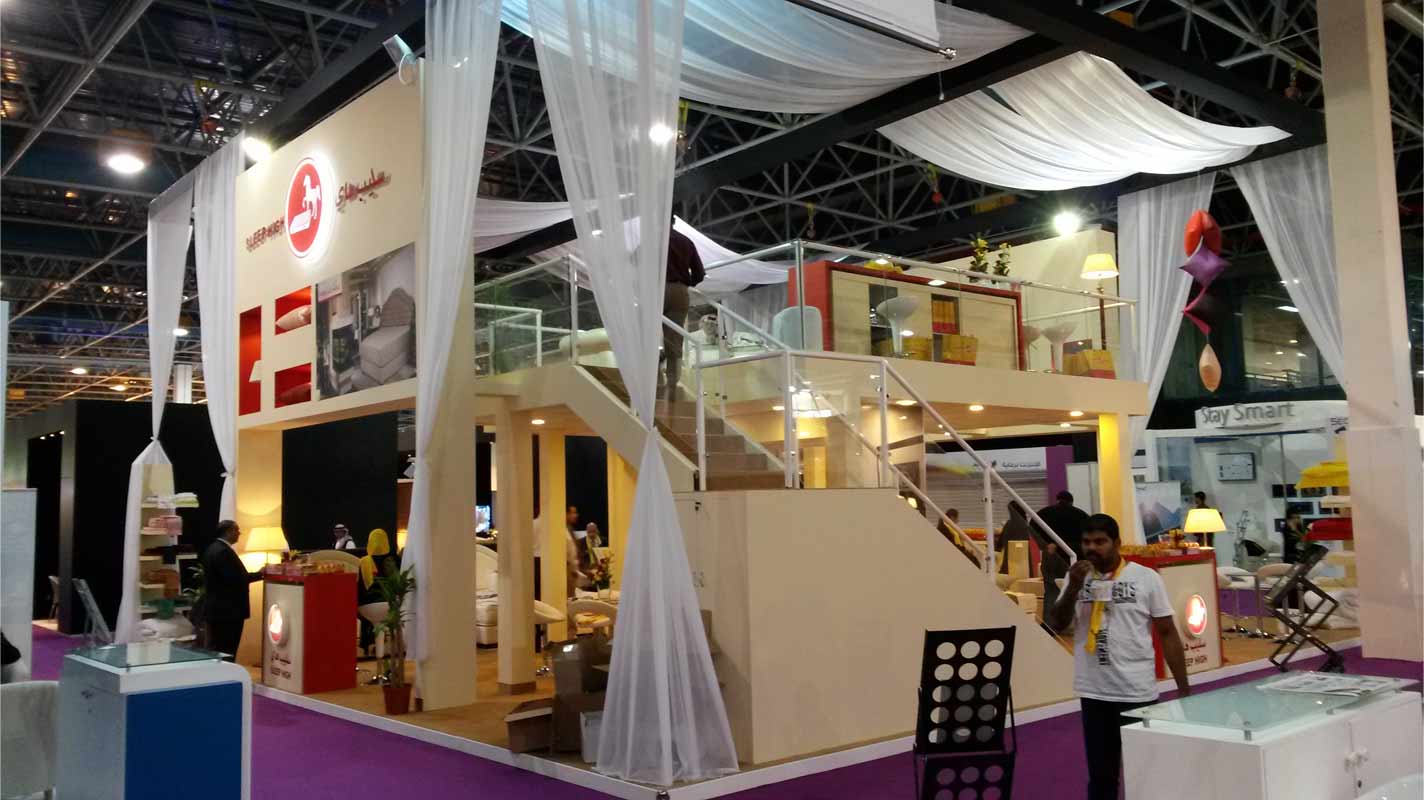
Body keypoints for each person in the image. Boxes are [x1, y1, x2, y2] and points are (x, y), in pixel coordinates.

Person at [1046, 513, 1191, 800]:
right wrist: (1073, 586)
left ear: (1117, 543)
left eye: (1100, 542)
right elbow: (1057, 623)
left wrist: (1184, 689)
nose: (1092, 548)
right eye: (1087, 542)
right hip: (1094, 691)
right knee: (1101, 777)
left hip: (1137, 692)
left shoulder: (1146, 578)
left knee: (1144, 773)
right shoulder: (1076, 578)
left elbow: (1167, 633)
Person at [201, 520, 264, 659]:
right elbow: (234, 579)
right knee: (228, 648)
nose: (239, 533)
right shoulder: (223, 552)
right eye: (237, 530)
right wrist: (260, 574)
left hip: (218, 609)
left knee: (218, 648)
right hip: (228, 610)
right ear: (229, 531)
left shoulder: (212, 548)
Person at [662, 220, 706, 401]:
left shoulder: (651, 241)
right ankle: (672, 386)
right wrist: (686, 283)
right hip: (680, 292)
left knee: (647, 336)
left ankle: (650, 381)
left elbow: (635, 264)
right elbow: (699, 273)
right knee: (674, 340)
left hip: (656, 290)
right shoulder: (686, 241)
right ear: (673, 222)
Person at [1035, 491, 1090, 609]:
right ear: (1071, 501)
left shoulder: (1044, 513)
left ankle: (1049, 619)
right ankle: (1069, 618)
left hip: (1050, 557)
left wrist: (1044, 546)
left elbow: (1032, 526)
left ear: (1057, 499)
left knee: (1051, 591)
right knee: (1071, 592)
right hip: (1071, 558)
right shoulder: (1081, 515)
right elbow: (1086, 540)